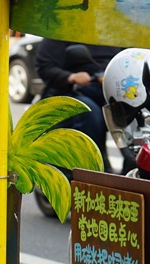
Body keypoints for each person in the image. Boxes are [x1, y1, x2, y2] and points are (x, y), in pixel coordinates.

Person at [36, 39, 127, 173]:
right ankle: (90, 167)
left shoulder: (114, 32)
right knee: (89, 112)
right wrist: (71, 77)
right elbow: (44, 67)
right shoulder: (62, 31)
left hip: (112, 90)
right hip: (69, 91)